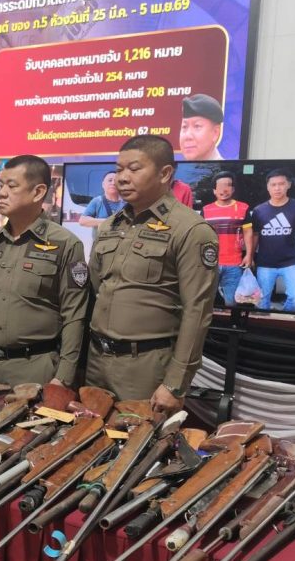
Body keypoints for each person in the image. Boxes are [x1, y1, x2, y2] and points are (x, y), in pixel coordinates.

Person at [86, 134, 219, 413]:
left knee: (139, 439)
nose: (123, 177)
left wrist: (175, 383)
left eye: (134, 169)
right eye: (119, 169)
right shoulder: (110, 226)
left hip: (146, 368)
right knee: (87, 436)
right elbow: (96, 290)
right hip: (97, 362)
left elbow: (197, 311)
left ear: (165, 173)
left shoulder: (190, 229)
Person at [0, 155, 88, 386]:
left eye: (12, 186)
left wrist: (63, 378)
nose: (2, 193)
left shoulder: (65, 244)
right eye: (1, 185)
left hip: (35, 369)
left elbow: (74, 316)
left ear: (38, 192)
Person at [249, 169, 295, 312]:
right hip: (265, 263)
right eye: (273, 185)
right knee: (260, 301)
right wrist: (250, 257)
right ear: (268, 187)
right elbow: (255, 235)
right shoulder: (259, 210)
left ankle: (283, 317)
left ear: (288, 185)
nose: (277, 188)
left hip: (291, 261)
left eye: (281, 184)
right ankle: (264, 321)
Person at [201, 171, 251, 305]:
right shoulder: (206, 210)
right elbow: (200, 236)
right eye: (220, 186)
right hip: (210, 263)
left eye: (228, 185)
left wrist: (249, 255)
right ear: (214, 190)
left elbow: (248, 232)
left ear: (233, 189)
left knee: (232, 301)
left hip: (234, 263)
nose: (224, 190)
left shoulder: (243, 208)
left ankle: (233, 318)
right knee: (206, 300)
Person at [78, 171, 123, 240]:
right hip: (101, 244)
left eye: (116, 181)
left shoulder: (127, 203)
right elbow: (83, 221)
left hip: (121, 244)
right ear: (103, 184)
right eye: (110, 180)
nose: (113, 183)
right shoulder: (97, 201)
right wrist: (107, 221)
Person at [179, 93, 224, 161]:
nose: (188, 136)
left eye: (197, 126)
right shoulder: (175, 168)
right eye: (184, 127)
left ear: (215, 133)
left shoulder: (226, 168)